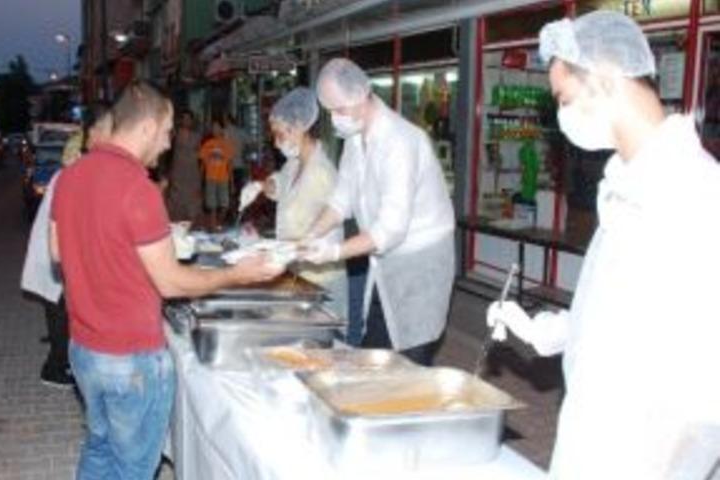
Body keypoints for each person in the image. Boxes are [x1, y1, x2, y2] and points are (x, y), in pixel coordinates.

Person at [486, 11, 720, 479]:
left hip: (645, 451)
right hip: (597, 429)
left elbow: (706, 390)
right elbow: (630, 309)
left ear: (607, 77)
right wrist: (553, 331)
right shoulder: (624, 181)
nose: (562, 116)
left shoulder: (692, 191)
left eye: (564, 98)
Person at [50, 80, 283, 479]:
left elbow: (58, 252)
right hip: (131, 358)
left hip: (84, 348)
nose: (168, 142)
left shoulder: (70, 175)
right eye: (167, 131)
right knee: (133, 468)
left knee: (100, 447)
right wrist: (237, 274)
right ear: (147, 126)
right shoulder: (137, 188)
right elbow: (171, 283)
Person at [302, 58, 456, 366]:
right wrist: (310, 235)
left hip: (421, 261)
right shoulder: (356, 140)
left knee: (410, 358)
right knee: (375, 352)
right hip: (385, 260)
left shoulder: (401, 141)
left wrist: (333, 252)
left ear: (361, 97)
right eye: (329, 111)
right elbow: (341, 200)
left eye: (339, 110)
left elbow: (390, 230)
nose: (334, 120)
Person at [20, 108, 113, 387]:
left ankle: (61, 364)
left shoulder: (74, 174)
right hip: (55, 257)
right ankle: (56, 370)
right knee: (60, 315)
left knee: (61, 314)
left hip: (56, 256)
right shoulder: (73, 177)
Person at [239, 87, 349, 320]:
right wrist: (260, 186)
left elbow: (314, 233)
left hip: (322, 281)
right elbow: (280, 183)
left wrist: (265, 248)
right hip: (300, 275)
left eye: (280, 135)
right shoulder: (295, 163)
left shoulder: (320, 173)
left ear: (299, 128)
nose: (277, 144)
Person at [166, 109, 203, 222]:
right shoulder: (175, 133)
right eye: (184, 119)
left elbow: (201, 155)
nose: (186, 121)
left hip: (192, 174)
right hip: (177, 173)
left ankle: (190, 229)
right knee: (175, 202)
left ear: (192, 121)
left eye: (188, 119)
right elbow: (167, 152)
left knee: (192, 203)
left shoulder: (197, 136)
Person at [199, 116, 235, 231]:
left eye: (216, 127)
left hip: (223, 178)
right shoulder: (207, 144)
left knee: (225, 205)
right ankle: (214, 227)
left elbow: (230, 165)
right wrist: (200, 180)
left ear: (221, 129)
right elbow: (203, 164)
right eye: (212, 127)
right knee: (212, 205)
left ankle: (218, 223)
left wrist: (232, 182)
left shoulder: (226, 144)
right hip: (210, 177)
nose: (214, 129)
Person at [224, 112, 250, 203]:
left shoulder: (225, 132)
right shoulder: (241, 131)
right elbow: (249, 144)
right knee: (238, 189)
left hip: (228, 166)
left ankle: (231, 211)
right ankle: (238, 209)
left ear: (226, 120)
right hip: (239, 164)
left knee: (229, 190)